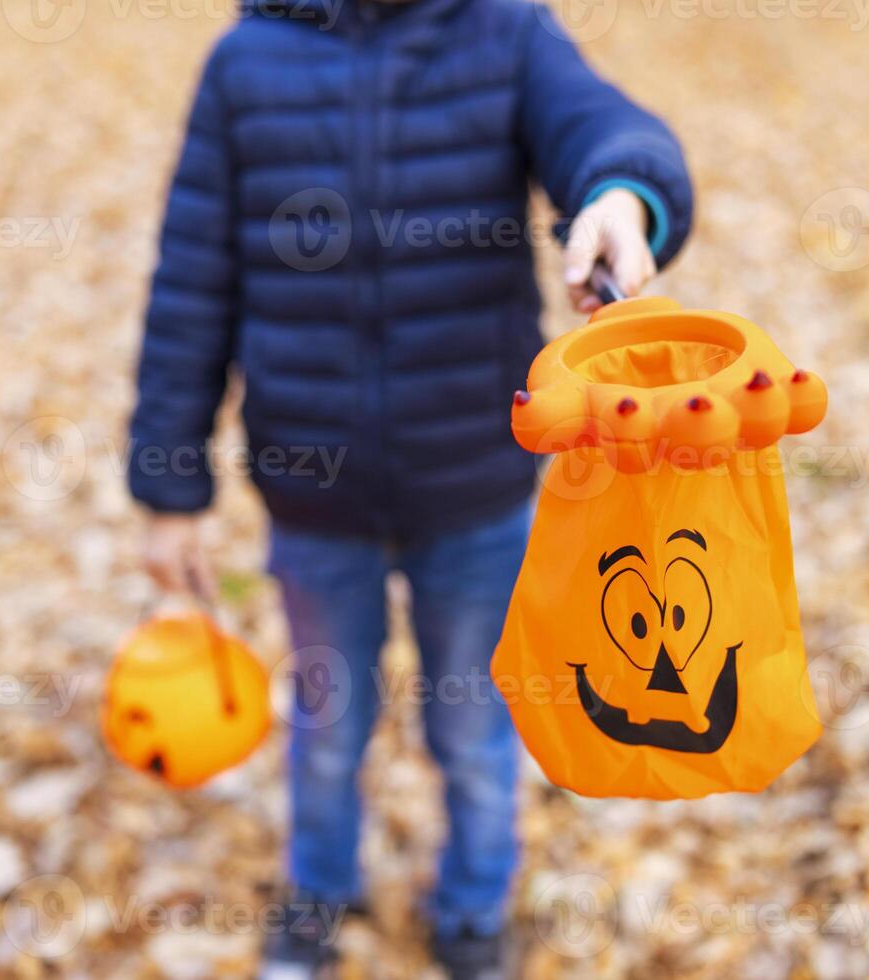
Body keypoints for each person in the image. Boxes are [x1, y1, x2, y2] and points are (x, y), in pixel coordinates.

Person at [128, 0, 692, 974]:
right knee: (327, 721)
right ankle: (320, 886)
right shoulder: (245, 62)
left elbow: (606, 128)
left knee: (473, 724)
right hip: (315, 494)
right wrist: (170, 483)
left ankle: (474, 906)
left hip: (474, 479)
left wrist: (622, 198)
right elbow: (193, 279)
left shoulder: (505, 32)